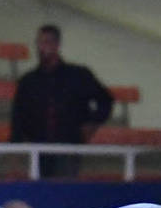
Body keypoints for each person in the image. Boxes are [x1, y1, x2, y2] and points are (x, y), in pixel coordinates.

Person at [9, 24, 113, 179]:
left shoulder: (78, 76)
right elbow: (18, 118)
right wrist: (15, 150)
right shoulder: (28, 82)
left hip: (69, 147)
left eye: (47, 42)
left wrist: (91, 124)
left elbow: (105, 100)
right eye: (40, 42)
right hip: (37, 149)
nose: (43, 47)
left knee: (65, 187)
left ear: (57, 45)